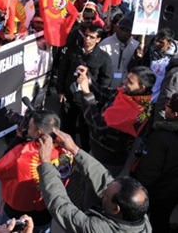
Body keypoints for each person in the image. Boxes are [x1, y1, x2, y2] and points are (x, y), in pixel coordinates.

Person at [37, 129, 152, 233]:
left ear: (115, 209)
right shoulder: (138, 216)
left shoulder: (96, 229)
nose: (104, 190)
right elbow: (103, 179)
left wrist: (46, 163)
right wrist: (75, 150)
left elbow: (61, 206)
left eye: (105, 195)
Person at [0, 110, 72, 232]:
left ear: (38, 133)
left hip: (16, 215)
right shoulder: (68, 150)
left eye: (29, 127)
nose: (26, 128)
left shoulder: (21, 154)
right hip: (46, 214)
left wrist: (18, 139)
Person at [77, 65, 155, 177]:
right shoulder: (130, 94)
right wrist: (88, 79)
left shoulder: (134, 113)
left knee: (93, 192)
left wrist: (87, 94)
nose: (124, 82)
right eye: (126, 78)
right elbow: (106, 94)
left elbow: (98, 127)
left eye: (129, 81)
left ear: (141, 88)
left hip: (106, 162)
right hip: (97, 152)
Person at [135, 92, 178, 232]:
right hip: (172, 193)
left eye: (167, 106)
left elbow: (148, 174)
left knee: (156, 223)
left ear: (175, 113)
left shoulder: (160, 138)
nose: (164, 109)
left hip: (159, 195)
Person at [97, 18, 139, 89]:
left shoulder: (135, 46)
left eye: (127, 30)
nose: (124, 32)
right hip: (107, 86)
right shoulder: (105, 43)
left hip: (125, 87)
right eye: (122, 29)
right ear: (117, 28)